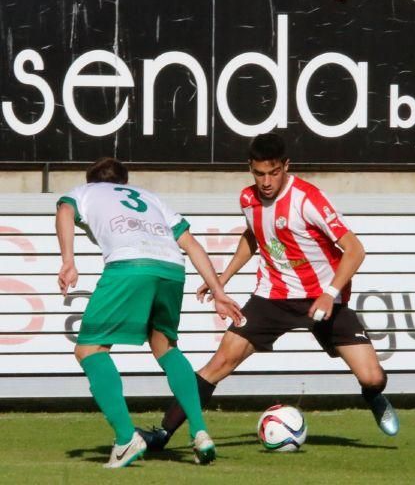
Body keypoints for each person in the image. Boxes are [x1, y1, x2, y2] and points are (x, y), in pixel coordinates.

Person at [138, 133, 400, 452]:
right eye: (259, 173)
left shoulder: (308, 199)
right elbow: (254, 237)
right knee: (218, 363)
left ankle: (372, 396)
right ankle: (162, 435)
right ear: (250, 168)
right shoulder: (248, 199)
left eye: (273, 172)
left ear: (286, 166)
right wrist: (222, 278)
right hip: (271, 298)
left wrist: (330, 292)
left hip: (324, 299)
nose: (266, 181)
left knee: (373, 377)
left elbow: (355, 250)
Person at [55, 158, 243, 468]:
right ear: (124, 182)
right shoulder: (151, 198)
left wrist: (67, 260)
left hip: (130, 265)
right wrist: (218, 293)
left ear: (92, 181)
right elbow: (192, 245)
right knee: (165, 346)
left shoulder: (85, 192)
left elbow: (64, 210)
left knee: (89, 348)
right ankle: (199, 432)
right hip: (171, 269)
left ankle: (126, 438)